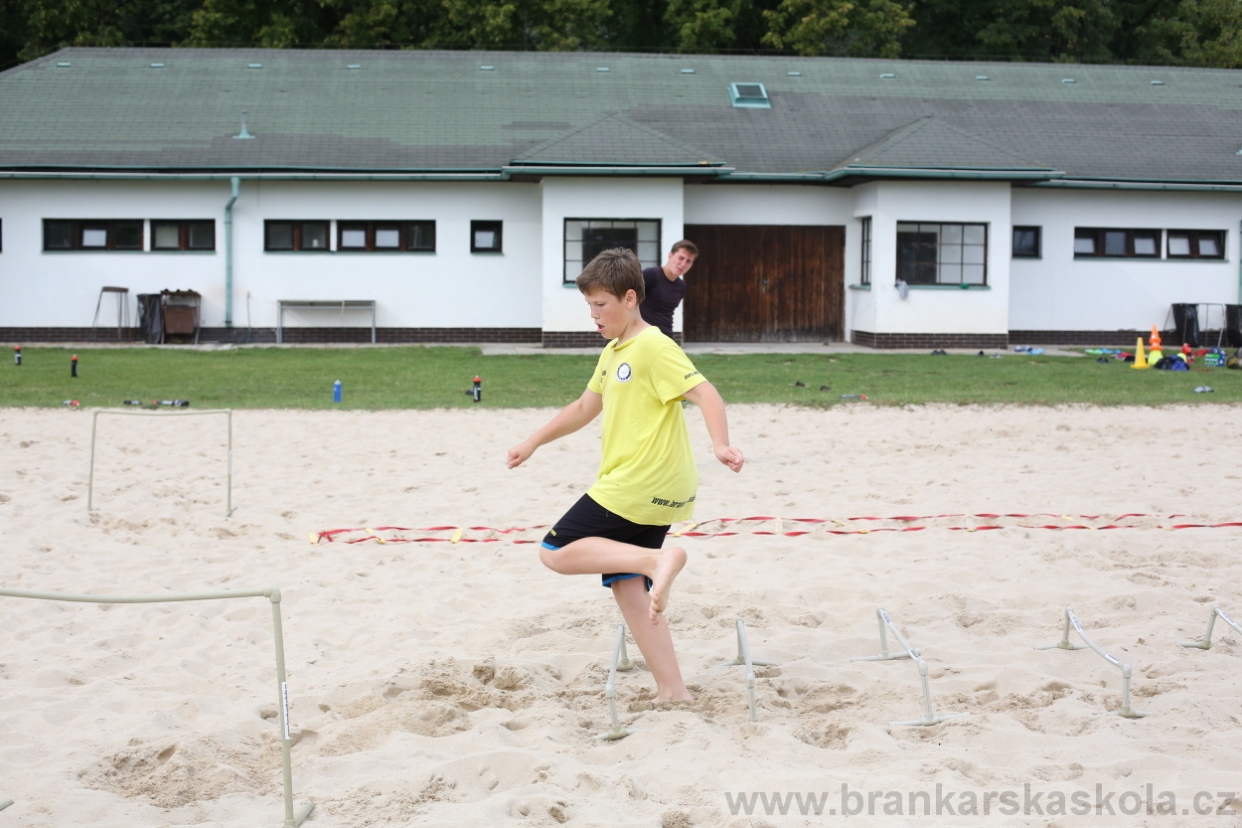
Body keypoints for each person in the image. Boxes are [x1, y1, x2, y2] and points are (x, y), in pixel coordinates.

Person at [507, 247, 743, 702]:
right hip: (658, 486)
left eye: (601, 304)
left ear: (630, 298)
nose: (593, 315)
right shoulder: (614, 351)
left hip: (640, 482)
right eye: (589, 305)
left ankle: (656, 561)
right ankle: (673, 689)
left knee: (555, 551)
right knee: (627, 586)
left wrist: (720, 445)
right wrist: (533, 441)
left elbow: (706, 393)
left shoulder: (654, 346)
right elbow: (583, 408)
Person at [641, 240, 698, 338]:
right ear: (670, 256)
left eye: (688, 261)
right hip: (644, 334)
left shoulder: (681, 286)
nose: (683, 264)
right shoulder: (650, 275)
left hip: (666, 335)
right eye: (681, 258)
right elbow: (626, 300)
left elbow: (667, 313)